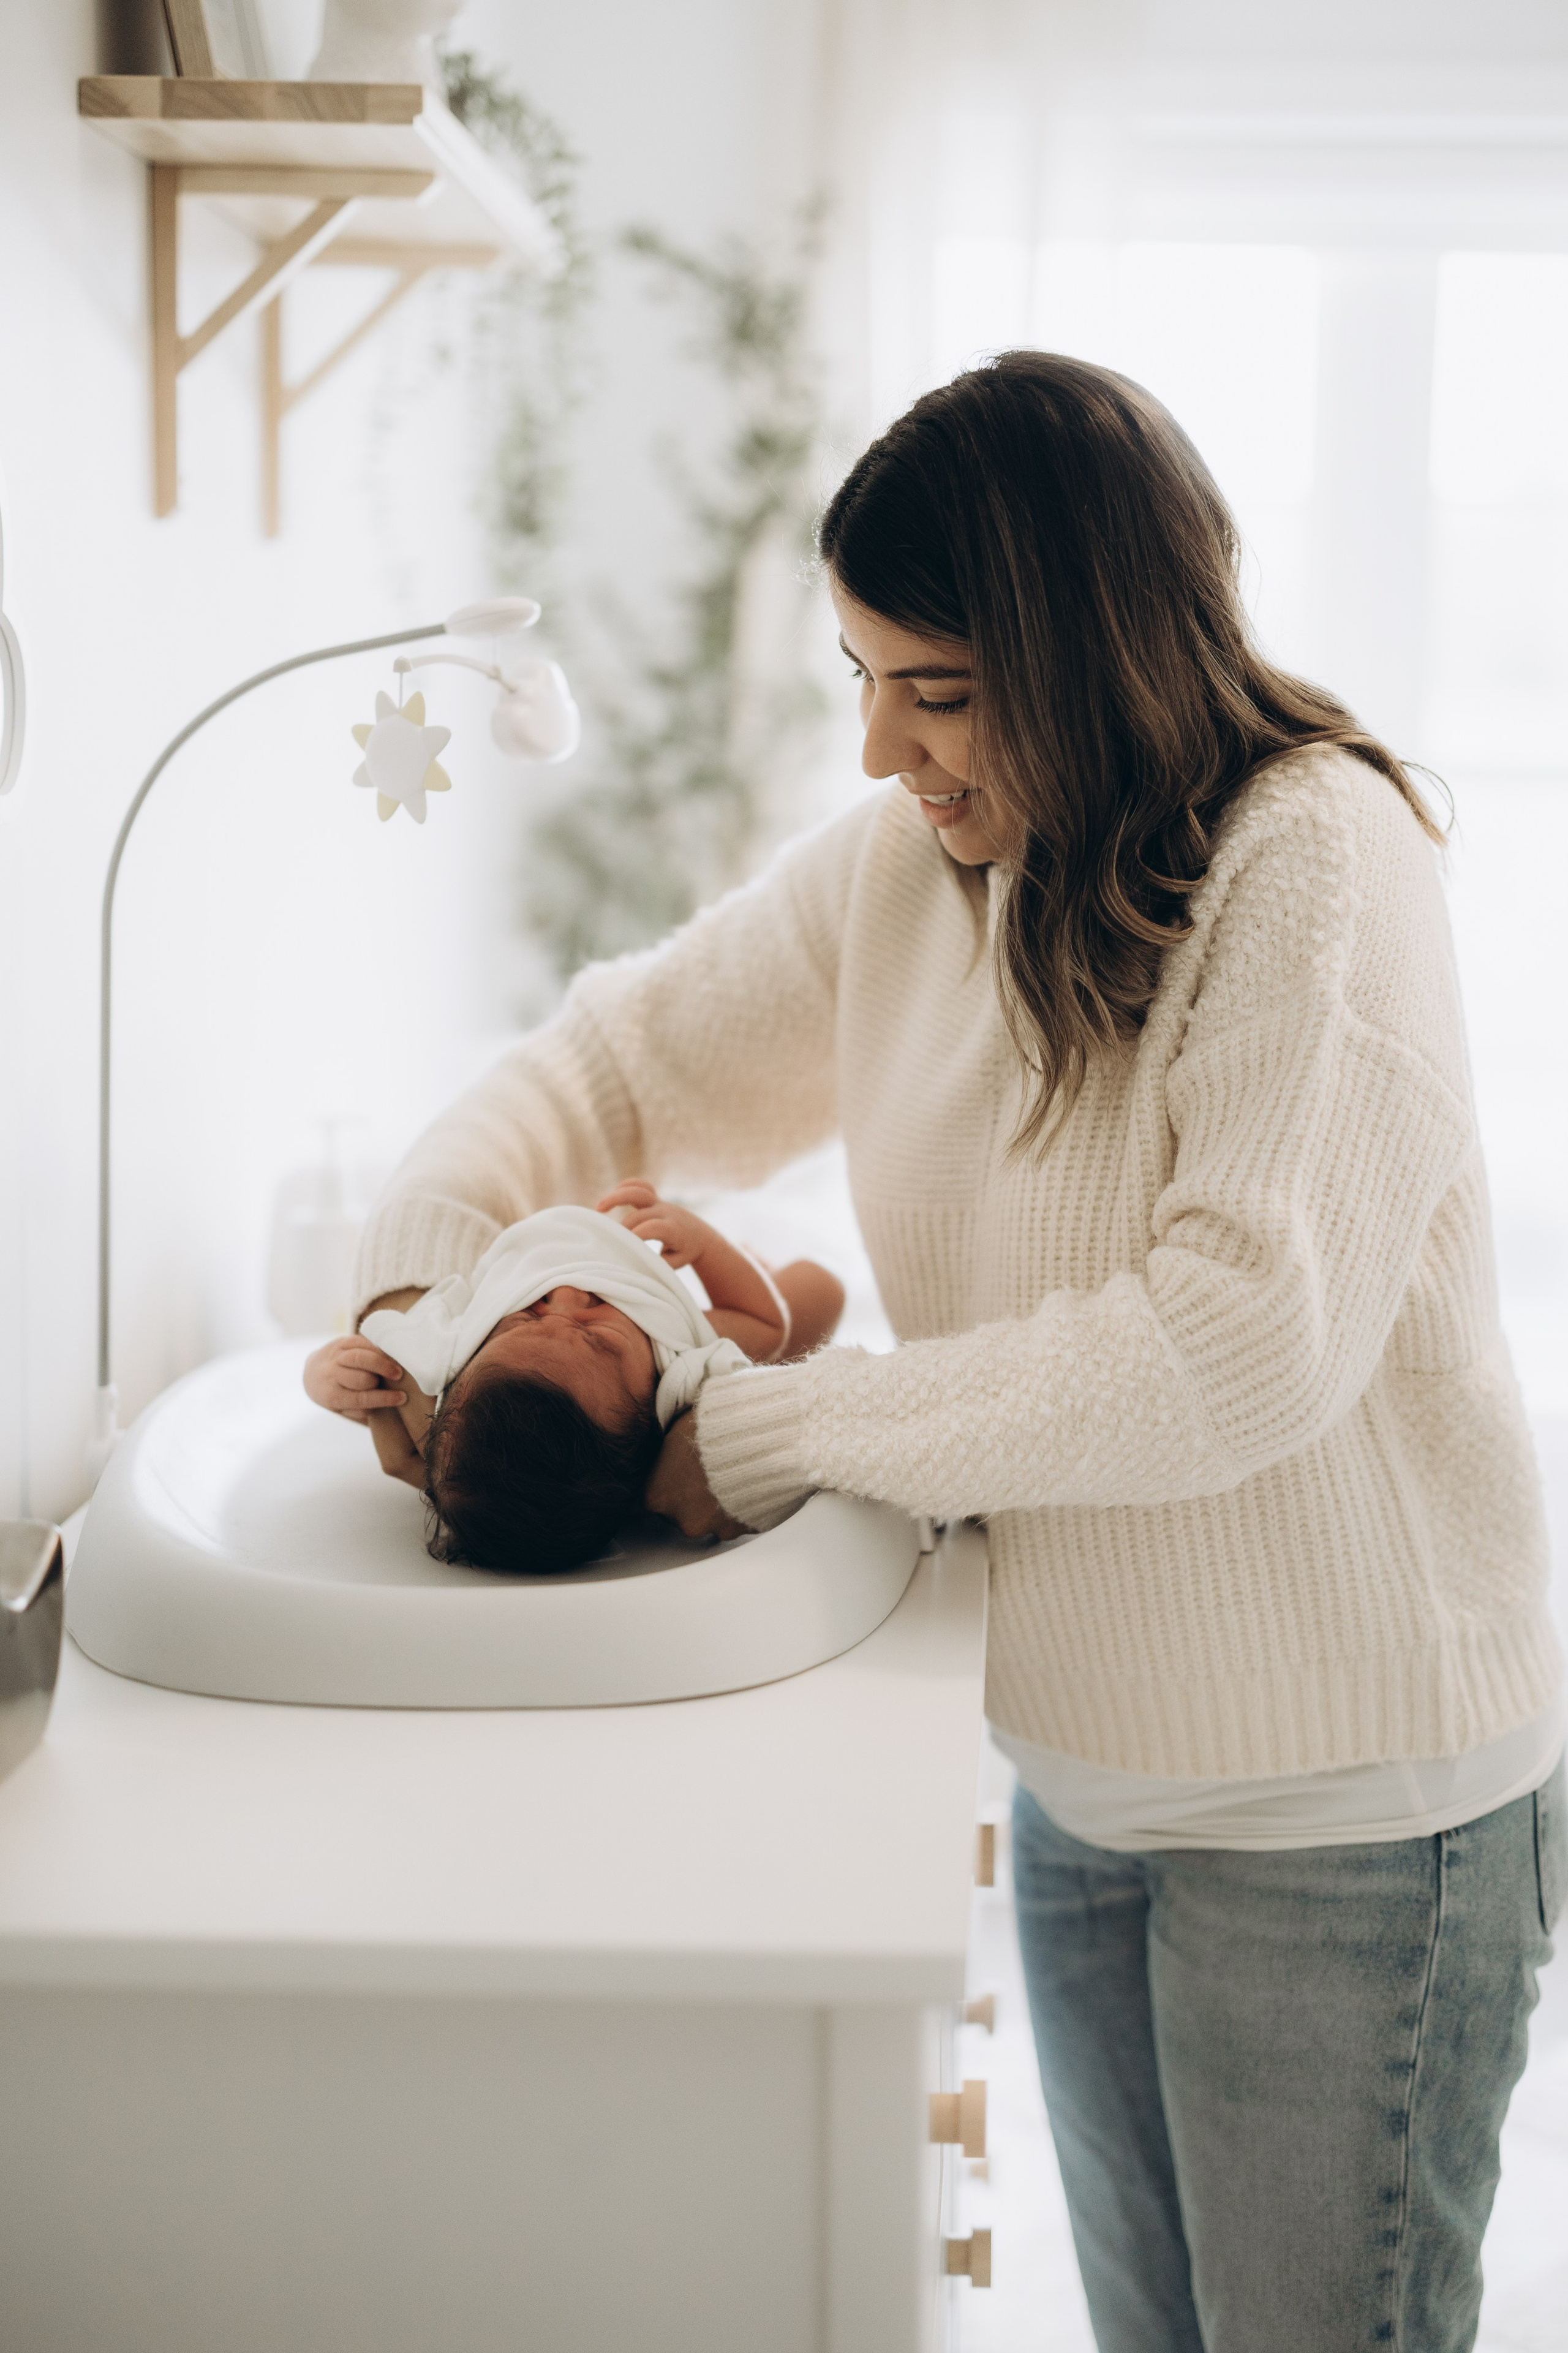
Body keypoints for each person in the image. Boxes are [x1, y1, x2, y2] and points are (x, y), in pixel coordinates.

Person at [349, 352, 1564, 2349]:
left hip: (1351, 1816)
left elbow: (1236, 1344)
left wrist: (773, 1430)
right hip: (1082, 1784)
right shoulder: (914, 873)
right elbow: (603, 1068)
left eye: (936, 688)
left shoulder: (1320, 859)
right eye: (860, 677)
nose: (878, 750)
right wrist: (418, 1316)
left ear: (1094, 654)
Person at [304, 1182, 843, 1572]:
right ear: (654, 1410)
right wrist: (706, 1247)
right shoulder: (677, 1365)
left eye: (524, 1317)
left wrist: (323, 1377)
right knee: (821, 1287)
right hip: (663, 1268)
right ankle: (758, 1257)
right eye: (599, 1337)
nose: (565, 1296)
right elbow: (767, 1325)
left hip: (564, 1211)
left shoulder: (448, 1358)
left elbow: (377, 1369)